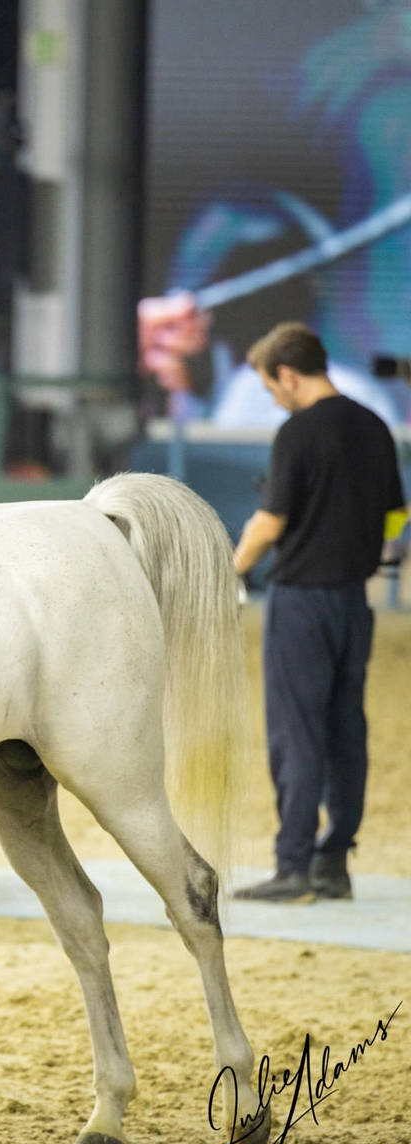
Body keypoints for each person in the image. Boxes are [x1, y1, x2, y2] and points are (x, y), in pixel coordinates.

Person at [231, 322, 406, 902]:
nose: (274, 398)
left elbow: (269, 522)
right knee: (344, 730)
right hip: (353, 605)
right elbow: (396, 519)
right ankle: (335, 861)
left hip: (301, 601)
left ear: (287, 373)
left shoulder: (298, 433)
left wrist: (229, 570)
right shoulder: (374, 425)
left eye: (270, 387)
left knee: (296, 734)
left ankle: (293, 866)